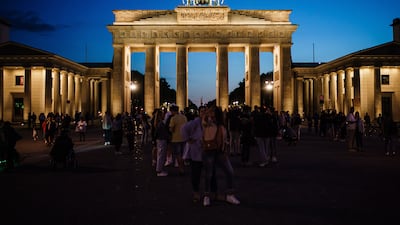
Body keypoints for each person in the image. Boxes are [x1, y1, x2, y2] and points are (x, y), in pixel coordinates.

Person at [202, 105, 240, 207]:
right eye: (211, 113)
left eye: (214, 113)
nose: (212, 115)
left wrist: (225, 149)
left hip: (220, 152)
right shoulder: (207, 123)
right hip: (210, 151)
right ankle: (206, 196)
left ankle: (229, 195)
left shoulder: (221, 125)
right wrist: (208, 112)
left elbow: (224, 139)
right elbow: (204, 118)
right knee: (209, 174)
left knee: (230, 172)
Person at [181, 106, 207, 202]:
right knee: (196, 174)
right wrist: (188, 140)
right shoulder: (195, 122)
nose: (204, 113)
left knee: (207, 174)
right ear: (199, 113)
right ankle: (196, 192)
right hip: (196, 152)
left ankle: (207, 193)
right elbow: (183, 128)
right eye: (202, 111)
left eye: (205, 111)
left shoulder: (208, 122)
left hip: (206, 152)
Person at [169, 105, 187, 175]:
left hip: (175, 139)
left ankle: (181, 169)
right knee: (183, 154)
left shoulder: (173, 118)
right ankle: (182, 167)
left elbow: (171, 129)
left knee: (178, 155)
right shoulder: (184, 117)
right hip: (184, 138)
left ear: (173, 111)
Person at [154, 109, 170, 176]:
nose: (164, 115)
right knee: (161, 155)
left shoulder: (157, 122)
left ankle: (159, 169)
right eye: (163, 114)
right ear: (161, 115)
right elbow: (163, 132)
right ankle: (159, 171)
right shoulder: (161, 123)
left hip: (159, 140)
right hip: (162, 140)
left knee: (160, 155)